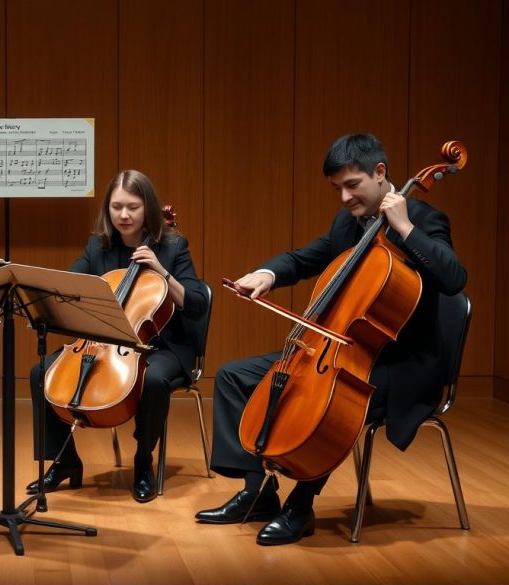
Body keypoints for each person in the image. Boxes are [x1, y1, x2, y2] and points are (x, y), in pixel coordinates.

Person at [195, 133, 468, 545]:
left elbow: (454, 279)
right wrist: (267, 274)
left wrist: (406, 228)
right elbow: (303, 258)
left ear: (380, 173)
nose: (343, 197)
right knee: (232, 377)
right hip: (340, 349)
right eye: (336, 188)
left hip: (403, 364)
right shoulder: (349, 224)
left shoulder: (424, 219)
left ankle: (300, 508)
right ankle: (258, 491)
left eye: (352, 184)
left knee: (329, 405)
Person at [27, 169, 208, 503]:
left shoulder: (172, 246)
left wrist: (162, 271)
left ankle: (143, 462)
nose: (124, 215)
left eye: (133, 207)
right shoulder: (99, 247)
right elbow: (70, 285)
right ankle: (64, 461)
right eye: (116, 207)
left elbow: (196, 304)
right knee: (41, 373)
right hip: (102, 343)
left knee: (151, 381)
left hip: (160, 345)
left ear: (148, 209)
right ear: (107, 209)